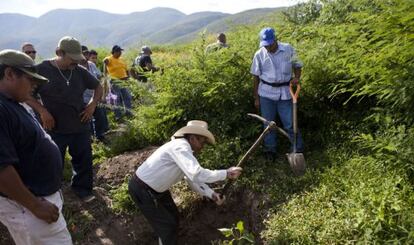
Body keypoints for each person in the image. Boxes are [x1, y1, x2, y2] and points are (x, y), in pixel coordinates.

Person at [128, 120, 243, 245]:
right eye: (202, 142)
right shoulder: (180, 147)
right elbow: (196, 173)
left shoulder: (184, 150)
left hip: (156, 190)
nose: (202, 146)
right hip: (142, 189)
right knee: (167, 227)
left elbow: (192, 179)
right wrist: (226, 173)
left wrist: (211, 194)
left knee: (173, 218)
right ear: (193, 138)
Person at [0, 49, 72, 244]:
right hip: (29, 209)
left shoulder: (12, 103)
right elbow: (1, 169)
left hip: (36, 203)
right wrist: (34, 205)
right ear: (9, 74)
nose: (34, 85)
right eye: (30, 79)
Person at [26, 36, 103, 202]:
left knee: (83, 160)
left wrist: (92, 105)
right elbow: (27, 94)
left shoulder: (80, 71)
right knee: (52, 163)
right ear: (59, 53)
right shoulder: (41, 70)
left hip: (80, 125)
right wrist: (42, 111)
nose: (76, 63)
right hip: (54, 128)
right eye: (72, 59)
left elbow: (98, 86)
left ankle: (83, 190)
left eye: (78, 59)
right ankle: (52, 194)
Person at [250, 27, 304, 160]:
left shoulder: (288, 49)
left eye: (270, 44)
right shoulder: (259, 54)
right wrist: (256, 98)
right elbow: (255, 77)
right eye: (265, 45)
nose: (268, 47)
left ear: (275, 39)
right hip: (266, 93)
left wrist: (297, 77)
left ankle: (297, 148)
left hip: (285, 92)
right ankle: (270, 150)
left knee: (290, 123)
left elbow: (297, 65)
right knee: (268, 124)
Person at [80, 46, 109, 142]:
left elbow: (100, 77)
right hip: (83, 99)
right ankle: (91, 140)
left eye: (87, 53)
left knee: (100, 116)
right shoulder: (76, 68)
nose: (86, 55)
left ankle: (100, 136)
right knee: (87, 119)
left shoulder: (91, 65)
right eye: (83, 53)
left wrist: (102, 94)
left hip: (95, 96)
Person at [103, 45, 132, 120]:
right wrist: (105, 60)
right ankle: (118, 115)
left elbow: (126, 69)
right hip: (115, 81)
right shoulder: (110, 59)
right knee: (117, 98)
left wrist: (128, 77)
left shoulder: (121, 59)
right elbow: (105, 60)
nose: (120, 53)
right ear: (114, 52)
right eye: (119, 51)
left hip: (124, 80)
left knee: (127, 97)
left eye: (121, 51)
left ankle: (128, 113)